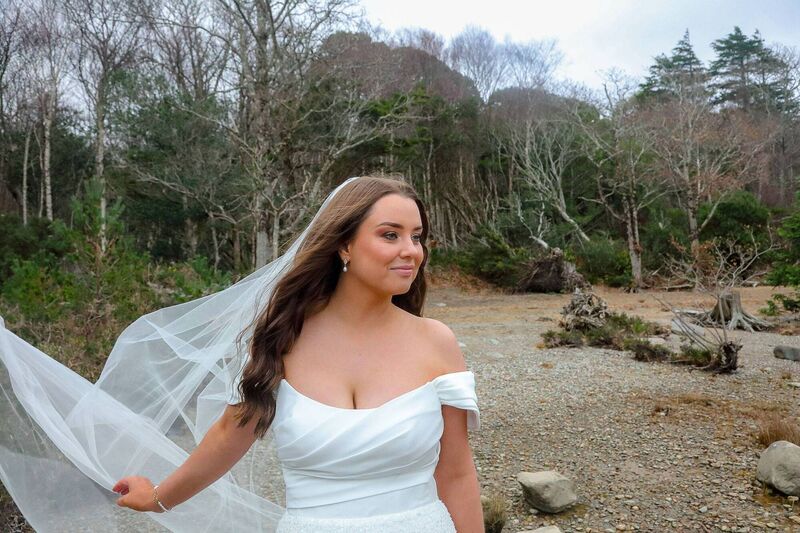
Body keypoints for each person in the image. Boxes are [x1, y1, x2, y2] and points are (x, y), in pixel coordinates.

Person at [0, 176, 482, 532]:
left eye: (417, 236)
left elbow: (457, 472)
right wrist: (157, 498)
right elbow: (228, 436)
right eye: (390, 234)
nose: (411, 251)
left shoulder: (435, 342)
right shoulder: (281, 340)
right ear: (343, 246)